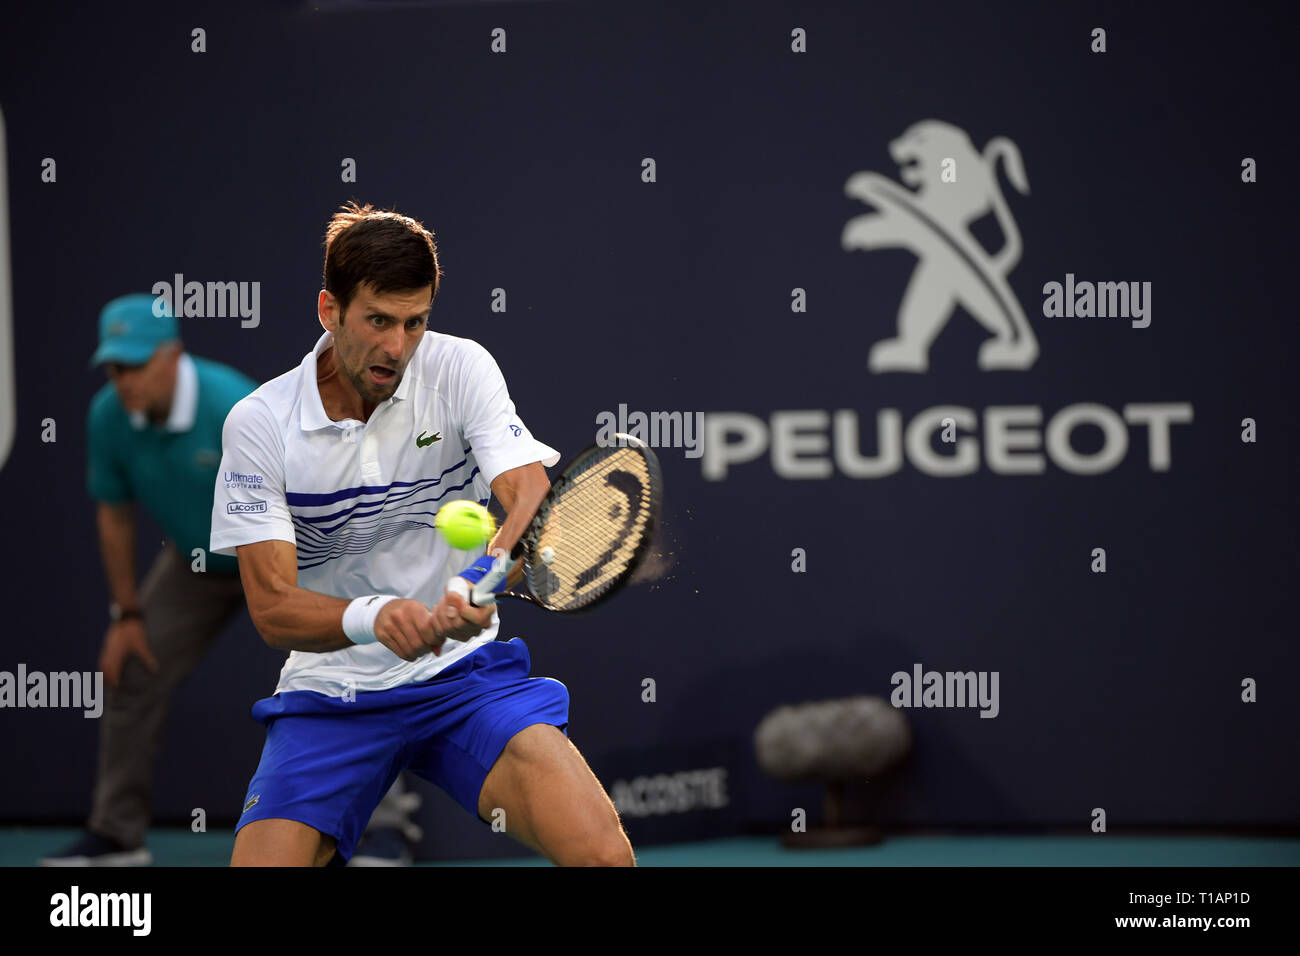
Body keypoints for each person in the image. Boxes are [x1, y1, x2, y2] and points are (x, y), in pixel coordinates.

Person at [210, 202, 634, 866]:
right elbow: (271, 607)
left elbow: (529, 497)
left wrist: (484, 575)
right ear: (330, 310)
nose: (398, 348)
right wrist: (376, 618)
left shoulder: (460, 368)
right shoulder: (261, 423)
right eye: (378, 321)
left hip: (462, 678)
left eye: (416, 323)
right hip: (332, 693)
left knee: (603, 856)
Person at [41, 294, 256, 866]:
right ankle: (117, 835)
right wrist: (126, 615)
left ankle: (380, 829)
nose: (125, 380)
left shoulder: (233, 404)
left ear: (174, 355)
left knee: (346, 671)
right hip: (195, 563)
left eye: (137, 365)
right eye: (116, 367)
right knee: (131, 666)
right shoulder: (108, 416)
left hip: (278, 556)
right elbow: (114, 513)